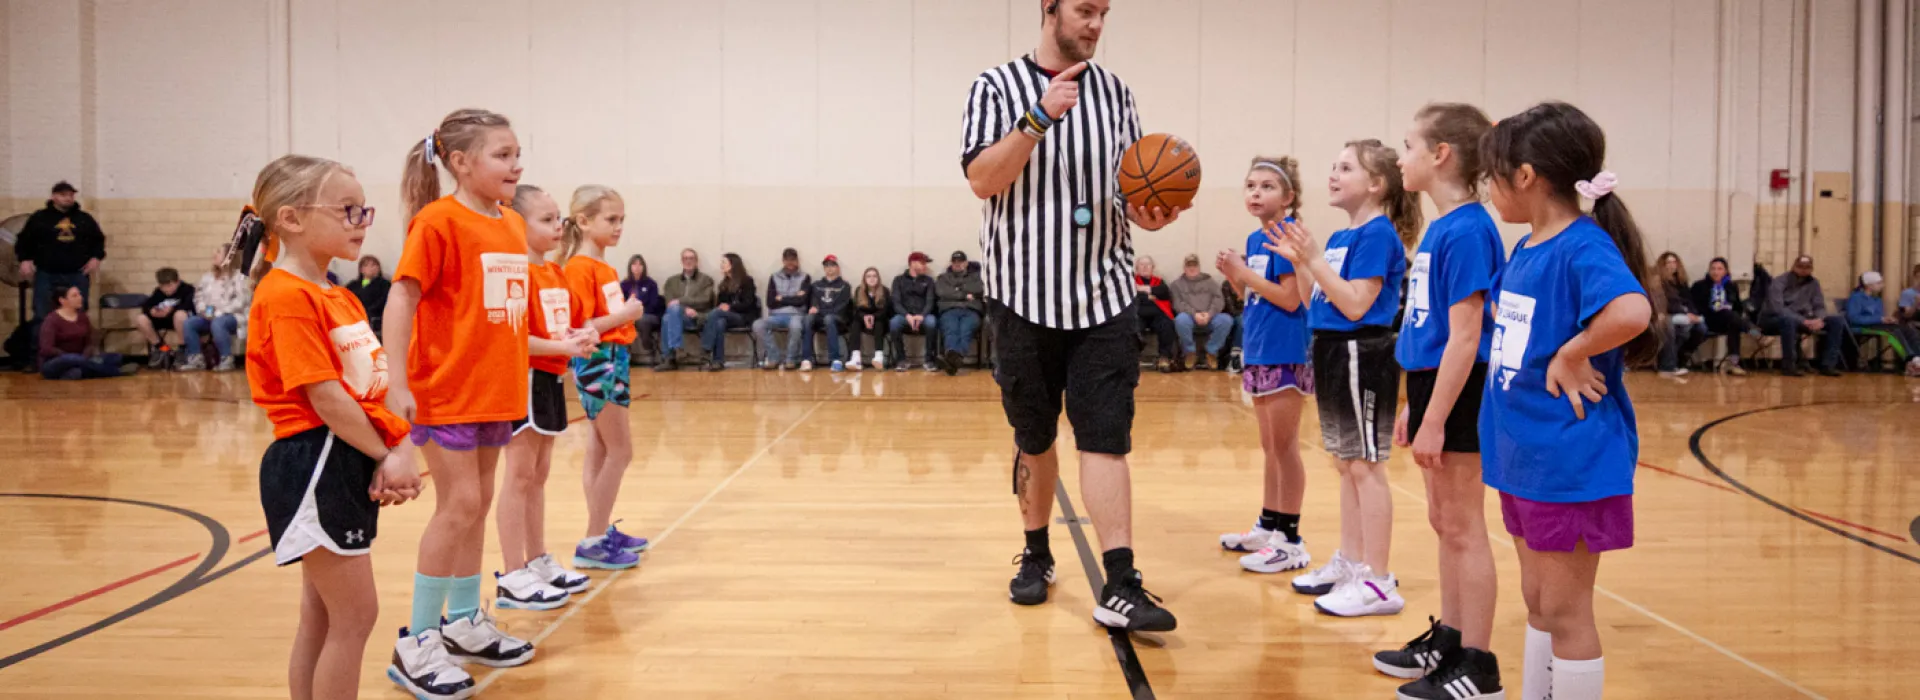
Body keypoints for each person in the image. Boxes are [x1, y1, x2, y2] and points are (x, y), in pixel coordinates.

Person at [962, 0, 1185, 632]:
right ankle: (1036, 553)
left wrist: (1149, 212)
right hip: (1021, 295)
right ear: (1049, 8)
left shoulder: (1116, 94)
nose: (1094, 24)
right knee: (1033, 437)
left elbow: (1128, 190)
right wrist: (1036, 121)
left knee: (1106, 437)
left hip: (1103, 298)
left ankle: (1121, 582)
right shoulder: (994, 87)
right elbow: (983, 179)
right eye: (1085, 10)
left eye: (1104, 14)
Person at [1477, 101, 1659, 700]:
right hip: (1524, 455)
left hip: (1569, 461)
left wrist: (1573, 352)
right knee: (1537, 601)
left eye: (1492, 174)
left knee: (1565, 610)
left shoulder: (1582, 244)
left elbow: (1632, 312)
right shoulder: (1528, 245)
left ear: (1525, 177)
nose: (1488, 188)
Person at [242, 154, 422, 700]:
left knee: (324, 619)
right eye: (346, 210)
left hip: (342, 456)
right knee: (355, 617)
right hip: (314, 459)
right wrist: (387, 453)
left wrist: (395, 444)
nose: (361, 221)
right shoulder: (285, 296)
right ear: (291, 219)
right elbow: (323, 396)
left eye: (363, 210)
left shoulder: (338, 294)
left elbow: (365, 391)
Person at [384, 108, 534, 696]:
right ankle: (417, 640)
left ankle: (465, 621)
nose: (516, 164)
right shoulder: (437, 222)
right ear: (461, 163)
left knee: (478, 504)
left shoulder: (512, 224)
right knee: (459, 504)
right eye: (502, 155)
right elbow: (402, 298)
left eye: (518, 153)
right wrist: (397, 382)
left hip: (495, 391)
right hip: (445, 389)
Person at [1378, 104, 1507, 699]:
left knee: (1462, 526)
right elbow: (1430, 332)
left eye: (1408, 145)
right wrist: (1416, 401)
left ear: (1441, 155)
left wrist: (1435, 418)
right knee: (1443, 521)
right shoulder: (1442, 226)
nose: (1400, 157)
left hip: (1461, 390)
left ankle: (1477, 664)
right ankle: (1451, 639)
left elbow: (1467, 335)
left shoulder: (1469, 228)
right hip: (1434, 385)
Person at [1266, 138, 1415, 618]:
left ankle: (1379, 580)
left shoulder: (1378, 234)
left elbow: (1355, 303)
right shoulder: (1338, 237)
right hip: (1331, 350)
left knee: (1366, 467)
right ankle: (1352, 563)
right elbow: (1317, 303)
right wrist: (1300, 261)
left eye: (1345, 168)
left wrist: (1310, 261)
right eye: (1332, 165)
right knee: (1347, 465)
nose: (1333, 173)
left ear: (1376, 183)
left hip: (1362, 353)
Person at [496, 184, 598, 611]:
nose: (558, 226)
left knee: (537, 476)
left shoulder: (555, 273)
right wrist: (564, 348)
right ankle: (512, 572)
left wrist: (586, 333)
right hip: (523, 381)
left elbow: (573, 323)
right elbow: (512, 337)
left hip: (551, 382)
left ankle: (537, 559)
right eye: (546, 219)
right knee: (518, 477)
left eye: (559, 218)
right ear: (517, 223)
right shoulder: (512, 274)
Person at [1214, 156, 1312, 578]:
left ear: (1288, 197)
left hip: (1286, 349)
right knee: (1270, 446)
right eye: (1251, 185)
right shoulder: (1257, 239)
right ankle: (1269, 524)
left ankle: (1289, 538)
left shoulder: (1287, 237)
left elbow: (1291, 299)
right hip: (1258, 347)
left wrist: (1242, 274)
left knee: (1286, 446)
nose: (1256, 192)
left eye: (1268, 186)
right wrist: (1235, 276)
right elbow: (1257, 296)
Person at [560, 185, 651, 569]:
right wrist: (627, 315)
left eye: (621, 220)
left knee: (600, 448)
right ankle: (593, 540)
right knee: (620, 451)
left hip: (613, 357)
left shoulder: (602, 267)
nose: (618, 227)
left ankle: (599, 531)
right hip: (600, 360)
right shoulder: (579, 268)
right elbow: (579, 327)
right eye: (610, 219)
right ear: (583, 221)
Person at [15, 181, 106, 320]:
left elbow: (98, 240)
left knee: (78, 313)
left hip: (77, 273)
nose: (68, 198)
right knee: (42, 313)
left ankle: (75, 342)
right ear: (53, 197)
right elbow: (24, 240)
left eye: (70, 195)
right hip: (46, 273)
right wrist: (24, 259)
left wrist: (96, 258)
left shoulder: (84, 219)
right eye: (63, 195)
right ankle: (45, 341)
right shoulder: (40, 218)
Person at [1761, 255, 1846, 377]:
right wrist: (1804, 321)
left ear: (1811, 269)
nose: (1803, 270)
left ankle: (1828, 365)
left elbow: (1819, 305)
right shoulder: (1779, 281)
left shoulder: (1814, 283)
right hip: (1774, 319)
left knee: (1836, 320)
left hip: (1804, 319)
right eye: (1800, 267)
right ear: (1793, 267)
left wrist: (1819, 319)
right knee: (1788, 320)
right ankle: (1789, 365)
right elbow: (1777, 308)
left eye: (1807, 267)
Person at [38, 285, 136, 379]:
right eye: (74, 295)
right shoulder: (51, 320)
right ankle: (115, 371)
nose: (80, 297)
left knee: (114, 357)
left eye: (79, 294)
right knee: (73, 359)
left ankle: (75, 372)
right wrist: (70, 356)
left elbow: (89, 343)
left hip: (81, 358)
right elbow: (46, 349)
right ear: (62, 300)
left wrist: (84, 356)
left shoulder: (82, 317)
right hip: (56, 361)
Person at [182, 243, 252, 372]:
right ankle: (196, 358)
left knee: (218, 323)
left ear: (229, 257)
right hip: (209, 315)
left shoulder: (239, 277)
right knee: (189, 323)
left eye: (218, 252)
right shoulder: (207, 277)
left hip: (233, 316)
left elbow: (242, 301)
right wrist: (203, 310)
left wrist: (221, 311)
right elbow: (198, 297)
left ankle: (226, 358)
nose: (214, 255)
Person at [1846, 271, 1920, 375]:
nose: (1882, 285)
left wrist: (1887, 319)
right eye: (1879, 283)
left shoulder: (1877, 300)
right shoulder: (1856, 298)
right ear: (1869, 285)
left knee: (1907, 329)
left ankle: (1918, 357)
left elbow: (1879, 316)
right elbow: (1853, 318)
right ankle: (1910, 359)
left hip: (1877, 325)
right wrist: (1880, 319)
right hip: (1861, 326)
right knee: (1894, 332)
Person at [656, 249, 717, 371]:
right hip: (678, 317)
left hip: (697, 317)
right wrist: (683, 308)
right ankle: (675, 350)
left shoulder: (706, 280)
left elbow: (705, 300)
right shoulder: (671, 282)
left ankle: (670, 356)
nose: (688, 261)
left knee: (669, 316)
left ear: (696, 261)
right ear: (681, 261)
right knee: (668, 316)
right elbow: (669, 304)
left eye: (691, 258)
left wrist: (681, 302)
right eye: (685, 258)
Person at [1688, 257, 1749, 375]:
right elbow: (1695, 307)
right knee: (1734, 319)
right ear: (1709, 270)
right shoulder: (1699, 286)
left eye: (1720, 269)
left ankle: (1733, 362)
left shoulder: (1731, 287)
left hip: (1728, 320)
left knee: (1734, 320)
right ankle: (1751, 332)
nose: (1716, 272)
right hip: (1707, 318)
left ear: (1725, 271)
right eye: (1713, 269)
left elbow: (1738, 306)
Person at [754, 247, 812, 370]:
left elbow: (802, 301)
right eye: (787, 260)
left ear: (797, 260)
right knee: (758, 325)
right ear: (783, 261)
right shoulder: (774, 277)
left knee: (796, 326)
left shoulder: (805, 277)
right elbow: (770, 302)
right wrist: (793, 298)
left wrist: (782, 299)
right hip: (776, 315)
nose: (790, 263)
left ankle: (791, 359)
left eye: (793, 259)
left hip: (796, 314)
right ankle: (774, 357)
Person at [1170, 253, 1231, 370]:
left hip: (1210, 315)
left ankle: (1211, 352)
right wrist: (1194, 314)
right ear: (1184, 268)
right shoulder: (1176, 285)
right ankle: (1190, 353)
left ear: (1199, 267)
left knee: (1226, 320)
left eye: (1194, 266)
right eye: (1189, 266)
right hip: (1190, 317)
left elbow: (1219, 300)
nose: (1192, 268)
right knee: (1180, 320)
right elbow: (1178, 304)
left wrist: (1209, 313)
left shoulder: (1210, 281)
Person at [701, 253, 759, 372]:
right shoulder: (724, 284)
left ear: (733, 265)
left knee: (716, 314)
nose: (721, 265)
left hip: (743, 316)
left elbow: (749, 303)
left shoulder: (747, 281)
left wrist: (731, 307)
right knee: (719, 323)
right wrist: (723, 307)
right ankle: (718, 361)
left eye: (724, 262)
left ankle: (706, 347)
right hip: (726, 317)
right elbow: (720, 305)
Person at [1654, 252, 1706, 378]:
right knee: (1670, 327)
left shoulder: (1681, 281)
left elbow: (1689, 300)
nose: (1672, 265)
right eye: (1669, 262)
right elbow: (1665, 303)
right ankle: (1667, 366)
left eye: (1674, 262)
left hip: (1681, 314)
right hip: (1665, 314)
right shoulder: (1658, 281)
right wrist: (1685, 312)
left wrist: (1693, 313)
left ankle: (1681, 358)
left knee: (1701, 328)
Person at [935, 250, 986, 375]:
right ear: (951, 263)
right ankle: (955, 359)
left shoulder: (977, 276)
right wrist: (965, 294)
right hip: (949, 310)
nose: (958, 264)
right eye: (955, 262)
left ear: (966, 263)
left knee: (965, 329)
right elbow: (942, 292)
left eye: (961, 262)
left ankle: (951, 359)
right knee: (951, 329)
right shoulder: (943, 278)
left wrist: (956, 290)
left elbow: (979, 288)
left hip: (971, 311)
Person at [135, 267, 196, 368]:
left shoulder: (188, 290)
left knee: (180, 315)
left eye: (169, 285)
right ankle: (162, 349)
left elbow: (189, 306)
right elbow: (147, 305)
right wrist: (152, 311)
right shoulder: (159, 292)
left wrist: (171, 310)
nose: (166, 289)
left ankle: (182, 349)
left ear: (177, 282)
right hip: (162, 319)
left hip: (178, 320)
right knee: (141, 319)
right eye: (163, 286)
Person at [889, 252, 939, 372]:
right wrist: (907, 316)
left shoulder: (929, 281)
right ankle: (901, 359)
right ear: (912, 264)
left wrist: (922, 315)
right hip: (904, 315)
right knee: (894, 323)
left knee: (932, 322)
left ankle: (929, 360)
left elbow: (930, 301)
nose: (925, 266)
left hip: (923, 315)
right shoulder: (898, 280)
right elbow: (896, 302)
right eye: (922, 263)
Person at [1133, 256, 1181, 372]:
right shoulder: (1131, 281)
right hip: (1139, 314)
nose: (1145, 267)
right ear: (1136, 268)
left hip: (1157, 315)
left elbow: (1164, 292)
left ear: (1153, 267)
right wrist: (1151, 295)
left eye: (1148, 264)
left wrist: (1142, 290)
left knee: (1167, 324)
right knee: (1131, 326)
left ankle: (1164, 357)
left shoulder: (1159, 281)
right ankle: (1133, 358)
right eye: (1141, 265)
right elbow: (1134, 297)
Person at [805, 255, 853, 372]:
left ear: (837, 268)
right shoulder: (816, 285)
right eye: (826, 266)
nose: (829, 268)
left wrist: (820, 310)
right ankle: (807, 359)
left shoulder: (844, 286)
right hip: (820, 317)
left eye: (832, 265)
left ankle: (835, 360)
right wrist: (815, 310)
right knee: (808, 319)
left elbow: (841, 307)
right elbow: (813, 304)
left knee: (829, 319)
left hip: (838, 318)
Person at [621, 255, 665, 364]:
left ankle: (649, 347)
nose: (637, 267)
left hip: (649, 315)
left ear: (644, 267)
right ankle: (624, 355)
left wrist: (638, 312)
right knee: (619, 322)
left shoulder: (651, 284)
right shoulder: (624, 285)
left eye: (640, 264)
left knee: (643, 320)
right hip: (629, 316)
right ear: (630, 267)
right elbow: (620, 303)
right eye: (634, 264)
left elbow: (653, 304)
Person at [851, 266, 891, 370]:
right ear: (864, 279)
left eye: (874, 276)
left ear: (878, 278)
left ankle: (879, 356)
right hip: (863, 322)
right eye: (868, 276)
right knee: (855, 323)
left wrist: (873, 316)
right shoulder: (859, 290)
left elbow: (886, 310)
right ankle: (856, 358)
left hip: (880, 322)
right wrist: (864, 317)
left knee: (878, 322)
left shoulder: (884, 291)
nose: (872, 279)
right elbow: (856, 310)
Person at [351, 256, 392, 336]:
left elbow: (382, 301)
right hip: (354, 316)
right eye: (366, 265)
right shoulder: (353, 285)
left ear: (378, 268)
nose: (370, 268)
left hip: (374, 318)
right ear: (361, 269)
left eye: (373, 265)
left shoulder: (384, 284)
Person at [1219, 275, 1245, 372]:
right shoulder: (1227, 285)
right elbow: (1231, 309)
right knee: (1242, 321)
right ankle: (1235, 357)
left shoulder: (1251, 284)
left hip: (1249, 314)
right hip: (1233, 315)